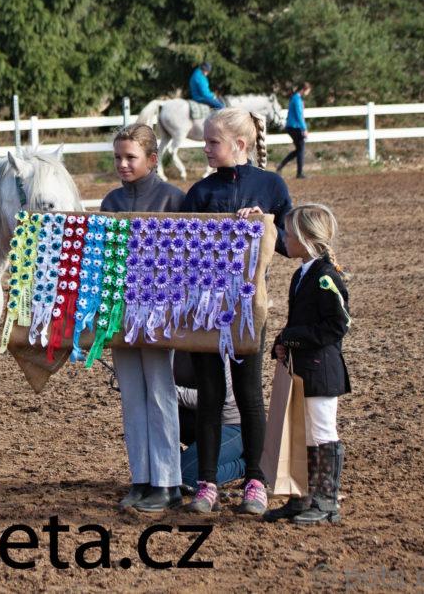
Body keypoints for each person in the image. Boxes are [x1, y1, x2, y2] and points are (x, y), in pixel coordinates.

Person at [180, 108, 292, 516]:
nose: (206, 149)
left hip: (248, 309)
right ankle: (207, 484)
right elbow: (182, 250)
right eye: (206, 142)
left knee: (248, 394)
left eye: (213, 142)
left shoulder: (271, 185)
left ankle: (255, 482)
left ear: (239, 144)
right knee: (210, 394)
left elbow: (287, 243)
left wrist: (265, 224)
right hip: (205, 309)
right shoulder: (199, 193)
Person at [99, 124, 186, 513]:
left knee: (160, 394)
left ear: (152, 159)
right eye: (118, 157)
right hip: (122, 313)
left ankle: (168, 481)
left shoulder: (173, 199)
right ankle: (141, 478)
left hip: (159, 314)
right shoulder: (111, 201)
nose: (122, 164)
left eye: (130, 157)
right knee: (132, 396)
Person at [264, 204, 351, 525]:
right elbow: (300, 321)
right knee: (303, 433)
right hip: (304, 367)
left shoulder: (326, 277)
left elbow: (338, 325)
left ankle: (326, 502)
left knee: (321, 431)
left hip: (321, 370)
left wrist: (293, 338)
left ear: (305, 238)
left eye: (288, 233)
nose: (284, 238)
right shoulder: (303, 274)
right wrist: (283, 341)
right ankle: (302, 497)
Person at [174, 351, 245, 490]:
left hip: (230, 424)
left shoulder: (214, 343)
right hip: (197, 422)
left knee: (185, 477)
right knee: (167, 476)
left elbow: (216, 397)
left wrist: (165, 390)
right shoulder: (165, 345)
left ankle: (246, 465)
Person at [276, 82, 312, 179]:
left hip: (292, 126)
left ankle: (281, 166)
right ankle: (299, 173)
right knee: (301, 148)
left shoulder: (296, 98)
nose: (308, 93)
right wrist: (304, 128)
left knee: (299, 149)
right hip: (295, 127)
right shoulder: (297, 99)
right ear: (304, 89)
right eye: (308, 91)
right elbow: (299, 115)